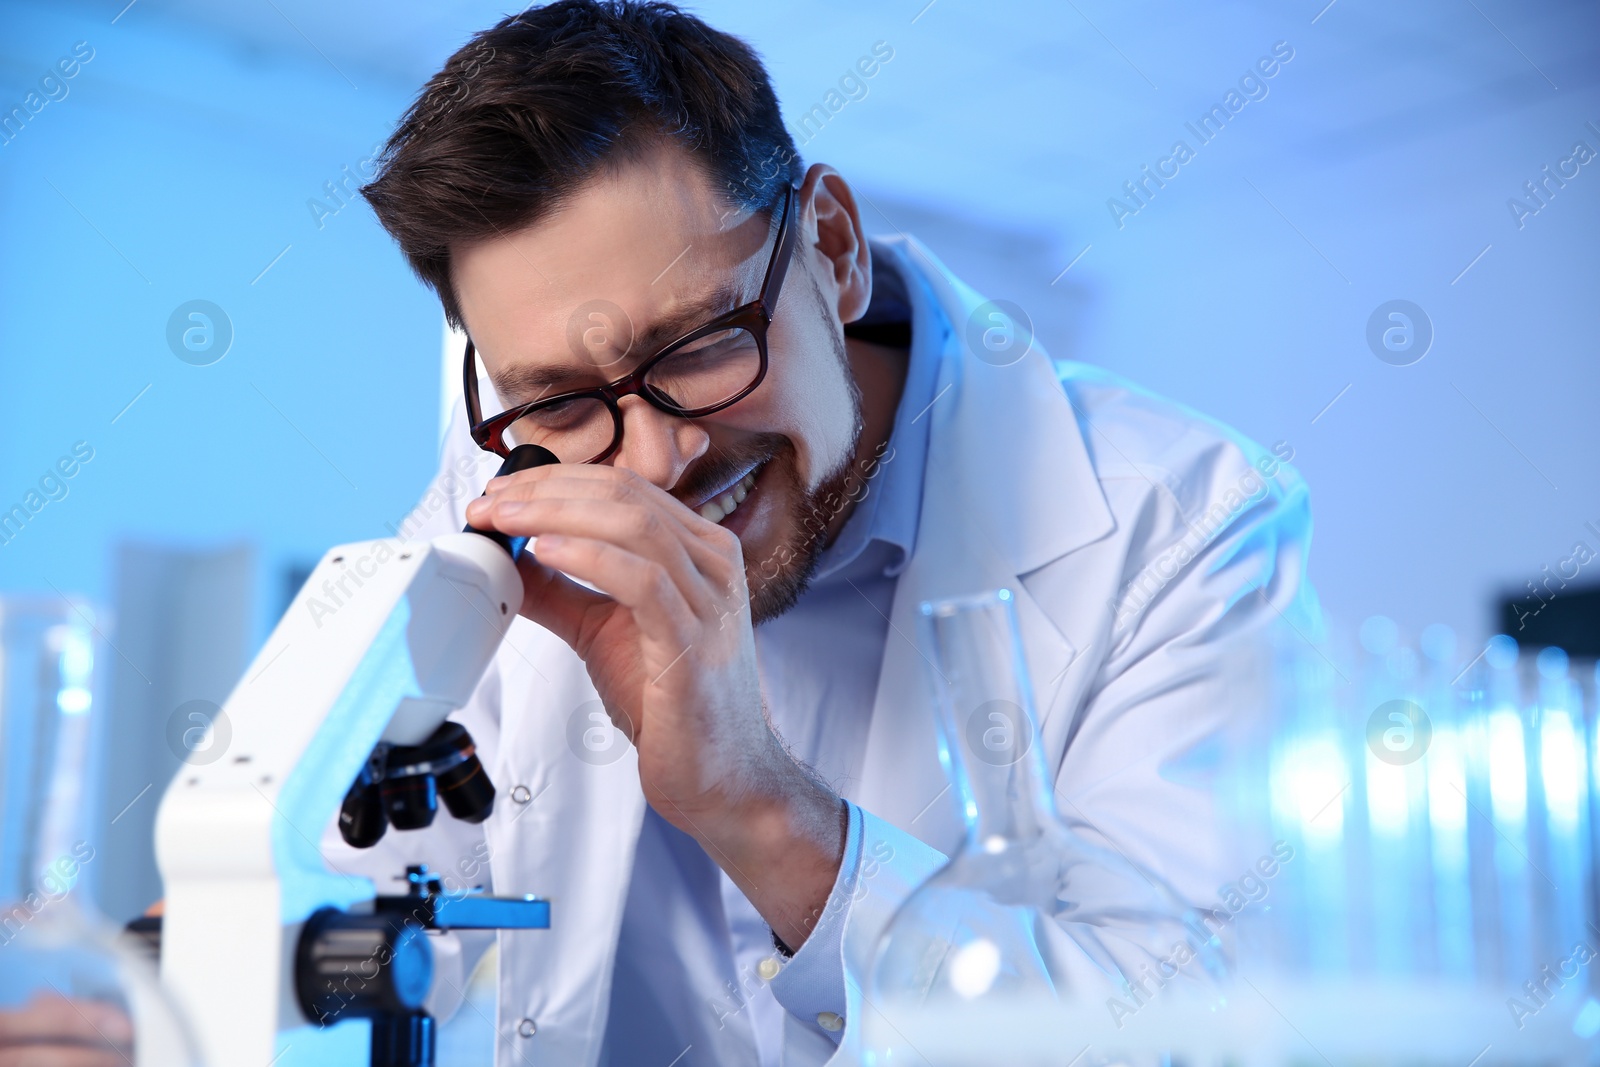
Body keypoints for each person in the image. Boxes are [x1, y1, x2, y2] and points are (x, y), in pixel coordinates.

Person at [326, 2, 1318, 1064]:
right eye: (562, 400)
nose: (655, 464)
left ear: (832, 250)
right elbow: (358, 901)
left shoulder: (1183, 519)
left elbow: (1187, 1033)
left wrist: (754, 803)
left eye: (700, 344)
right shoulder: (510, 475)